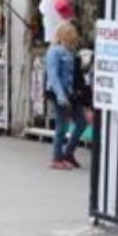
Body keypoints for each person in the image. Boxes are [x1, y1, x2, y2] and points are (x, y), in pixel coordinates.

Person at [46, 21, 87, 170]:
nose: (74, 39)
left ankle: (68, 153)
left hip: (71, 94)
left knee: (81, 122)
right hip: (59, 93)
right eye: (71, 36)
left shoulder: (70, 51)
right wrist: (61, 95)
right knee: (62, 126)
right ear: (64, 35)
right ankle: (57, 158)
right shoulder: (54, 51)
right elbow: (53, 75)